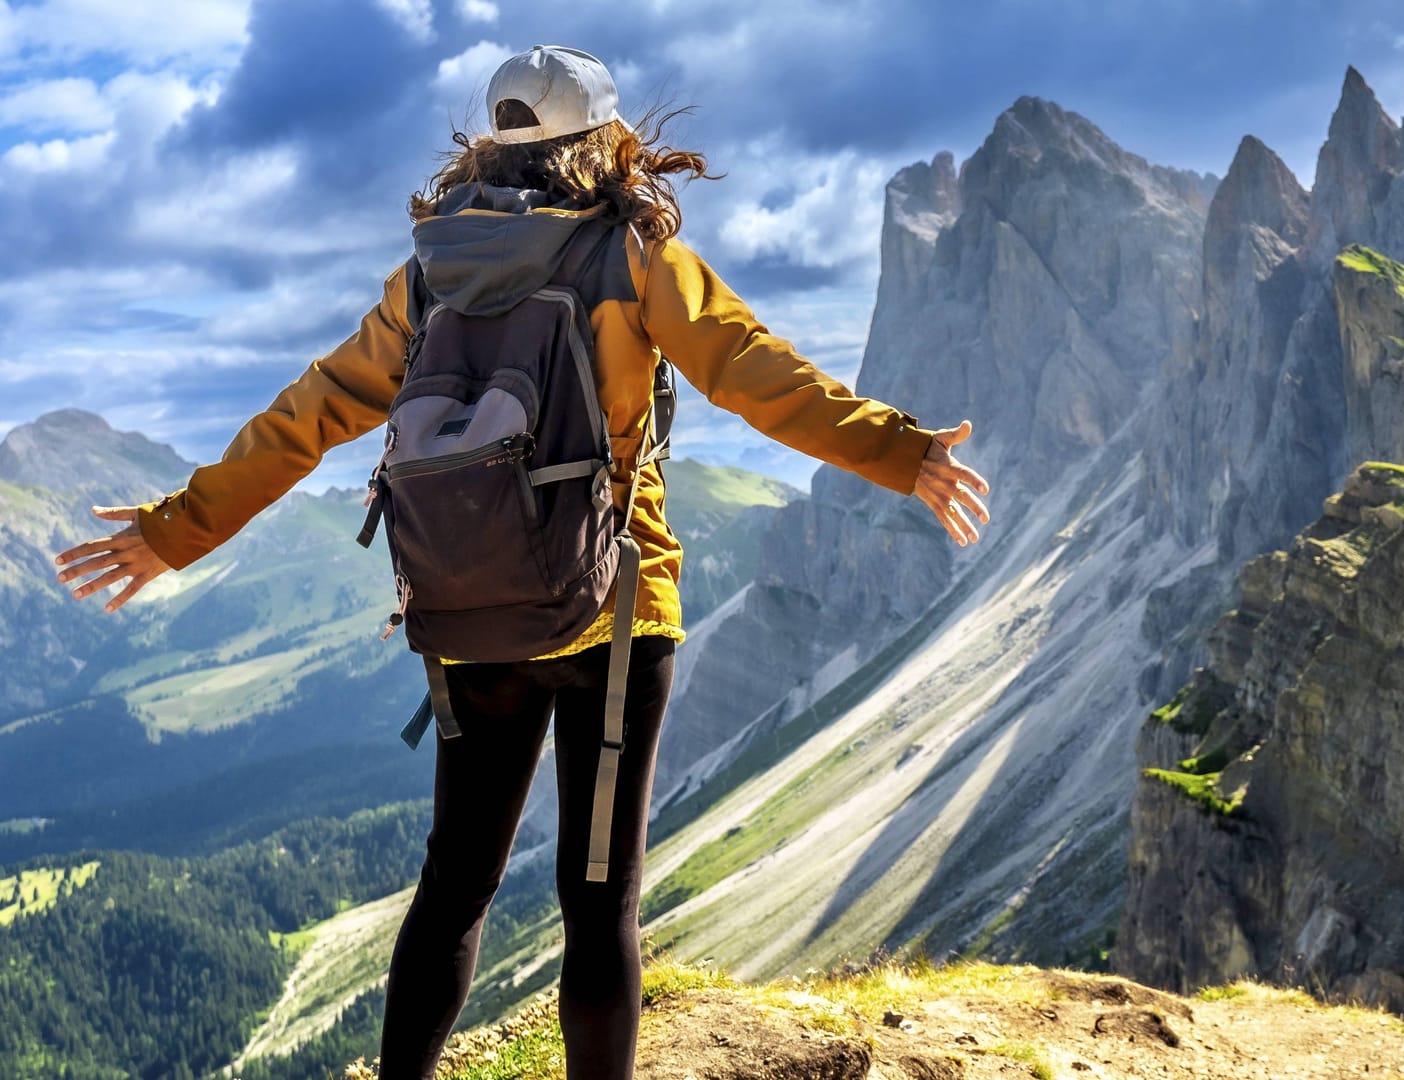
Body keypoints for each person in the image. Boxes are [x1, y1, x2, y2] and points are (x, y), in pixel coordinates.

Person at [50, 44, 991, 1079]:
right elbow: (752, 369)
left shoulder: (428, 273)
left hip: (468, 613)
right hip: (615, 616)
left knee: (455, 885)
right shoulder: (631, 257)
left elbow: (306, 417)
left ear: (491, 146)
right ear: (605, 140)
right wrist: (901, 452)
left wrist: (174, 530)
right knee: (599, 903)